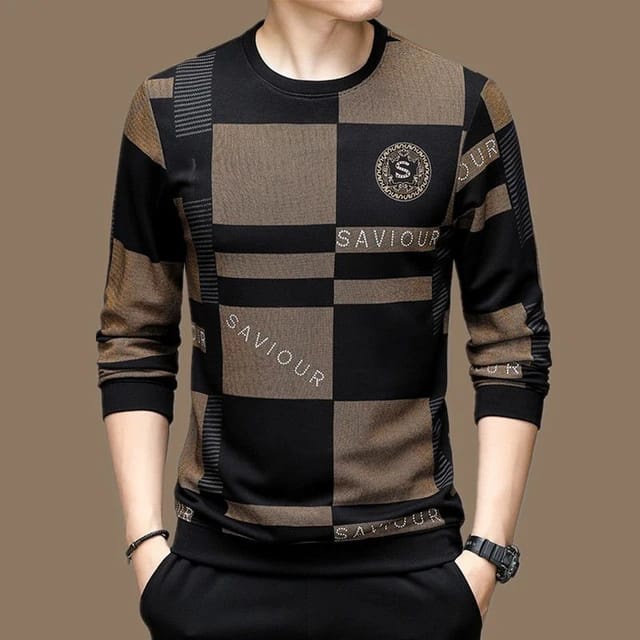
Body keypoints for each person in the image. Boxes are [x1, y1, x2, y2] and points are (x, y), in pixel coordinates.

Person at [95, 1, 552, 638]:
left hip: (415, 579)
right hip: (215, 576)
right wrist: (146, 545)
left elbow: (512, 339)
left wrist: (487, 555)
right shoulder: (173, 106)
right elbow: (135, 334)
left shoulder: (463, 104)